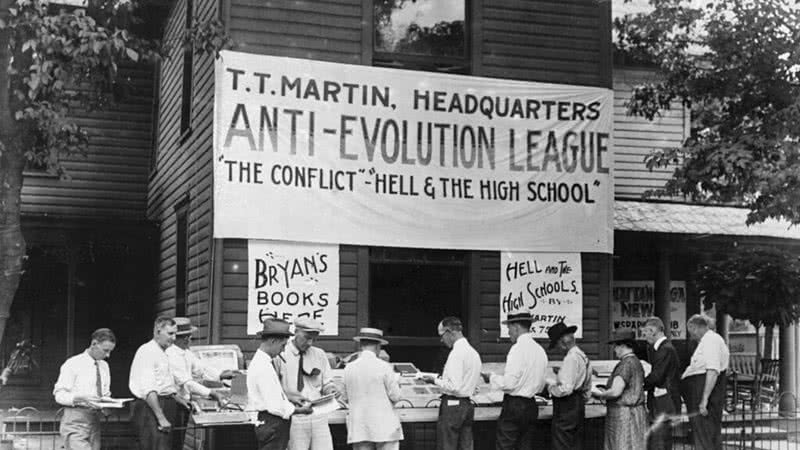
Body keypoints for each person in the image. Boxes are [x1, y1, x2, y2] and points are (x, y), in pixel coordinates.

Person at [481, 312, 548, 450]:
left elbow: (509, 384)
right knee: (525, 446)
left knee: (505, 446)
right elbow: (541, 384)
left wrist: (492, 377)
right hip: (531, 405)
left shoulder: (517, 349)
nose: (508, 332)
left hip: (514, 406)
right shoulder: (540, 350)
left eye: (509, 328)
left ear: (516, 327)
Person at [166, 317, 232, 450]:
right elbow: (187, 383)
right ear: (184, 338)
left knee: (178, 441)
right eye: (189, 336)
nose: (190, 339)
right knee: (172, 442)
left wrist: (220, 375)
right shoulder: (171, 355)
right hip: (172, 403)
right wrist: (212, 393)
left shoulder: (185, 353)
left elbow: (201, 368)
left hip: (183, 402)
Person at [248, 318, 313, 450]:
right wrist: (298, 410)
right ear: (273, 341)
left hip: (268, 422)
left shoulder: (262, 362)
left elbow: (270, 393)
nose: (283, 351)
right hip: (272, 423)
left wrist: (288, 397)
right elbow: (275, 406)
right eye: (282, 345)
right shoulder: (263, 367)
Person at [420, 317, 482, 450]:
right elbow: (474, 385)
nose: (442, 340)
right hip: (467, 404)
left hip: (452, 405)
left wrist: (434, 380)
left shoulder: (456, 354)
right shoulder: (474, 353)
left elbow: (454, 386)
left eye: (442, 335)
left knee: (446, 445)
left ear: (449, 332)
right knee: (465, 445)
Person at [280, 317, 338, 450]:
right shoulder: (282, 354)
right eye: (306, 337)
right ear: (296, 332)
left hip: (319, 414)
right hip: (295, 416)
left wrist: (331, 390)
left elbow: (327, 382)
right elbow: (275, 387)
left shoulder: (319, 354)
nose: (310, 342)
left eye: (313, 339)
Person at [53, 328, 116, 450]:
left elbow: (105, 393)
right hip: (75, 420)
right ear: (94, 344)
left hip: (94, 421)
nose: (108, 355)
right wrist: (78, 398)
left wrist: (109, 404)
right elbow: (59, 395)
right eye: (105, 350)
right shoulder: (73, 363)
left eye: (110, 351)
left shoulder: (104, 366)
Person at [130, 317, 187, 450]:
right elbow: (149, 389)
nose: (174, 338)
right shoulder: (147, 351)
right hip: (151, 408)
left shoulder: (162, 352)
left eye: (175, 334)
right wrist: (160, 417)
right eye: (170, 334)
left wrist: (176, 398)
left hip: (165, 404)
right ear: (157, 331)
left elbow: (163, 384)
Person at [341, 327, 403, 450]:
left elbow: (344, 397)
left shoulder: (348, 368)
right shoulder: (384, 367)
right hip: (385, 428)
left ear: (361, 345)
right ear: (378, 346)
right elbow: (396, 396)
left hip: (360, 427)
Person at [592, 328, 647, 450]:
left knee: (621, 445)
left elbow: (616, 391)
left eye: (615, 346)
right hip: (636, 413)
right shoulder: (636, 362)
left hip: (623, 415)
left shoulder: (625, 364)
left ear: (622, 346)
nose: (614, 350)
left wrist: (599, 394)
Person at [681, 314, 729, 450]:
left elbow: (713, 370)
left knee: (705, 435)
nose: (691, 336)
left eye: (691, 332)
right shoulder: (708, 341)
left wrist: (704, 399)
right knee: (703, 435)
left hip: (703, 392)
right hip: (698, 390)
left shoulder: (711, 341)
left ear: (695, 328)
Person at [546, 322, 591, 450]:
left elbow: (565, 389)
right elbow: (587, 384)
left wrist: (550, 388)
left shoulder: (570, 358)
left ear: (562, 342)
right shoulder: (582, 356)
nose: (558, 349)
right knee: (575, 443)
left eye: (557, 345)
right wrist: (562, 372)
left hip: (567, 405)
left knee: (562, 441)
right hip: (578, 403)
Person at [641, 317, 682, 450]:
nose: (644, 336)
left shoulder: (665, 349)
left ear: (653, 330)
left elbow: (657, 377)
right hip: (662, 402)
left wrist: (639, 384)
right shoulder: (661, 349)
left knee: (659, 442)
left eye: (646, 332)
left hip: (664, 403)